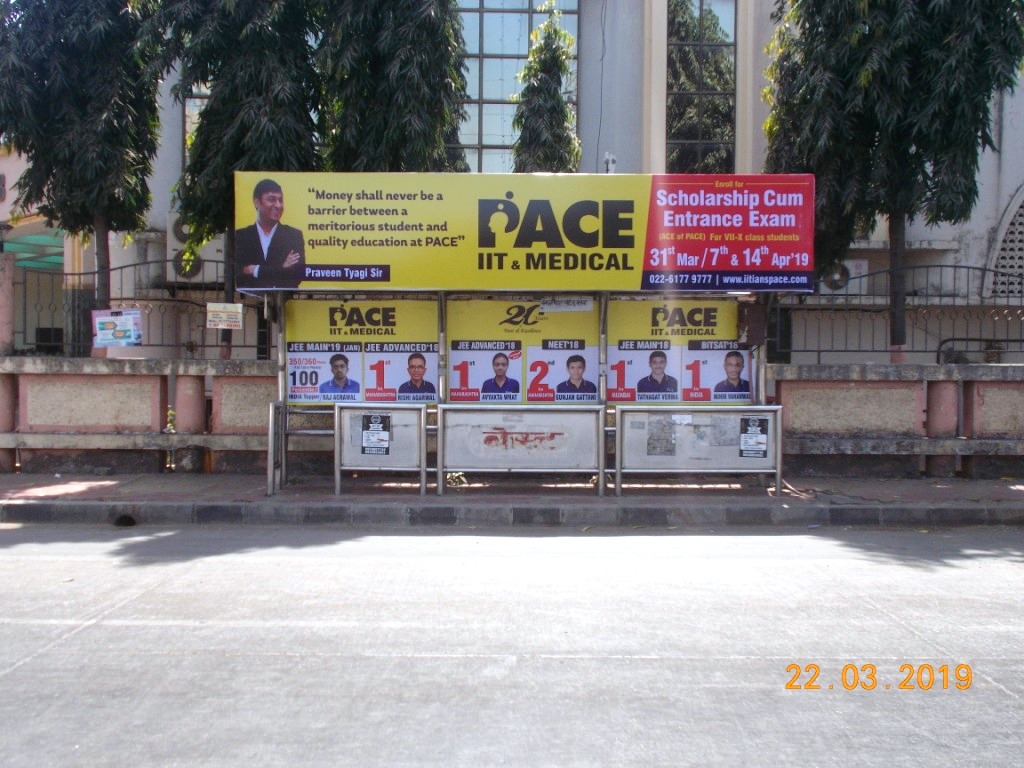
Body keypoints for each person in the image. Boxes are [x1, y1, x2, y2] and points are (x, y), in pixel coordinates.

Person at [235, 178, 305, 289]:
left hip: (283, 301)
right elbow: (239, 276)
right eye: (272, 199)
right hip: (252, 302)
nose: (278, 205)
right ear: (257, 202)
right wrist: (282, 268)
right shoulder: (242, 236)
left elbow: (297, 275)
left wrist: (255, 270)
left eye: (280, 200)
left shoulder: (293, 235)